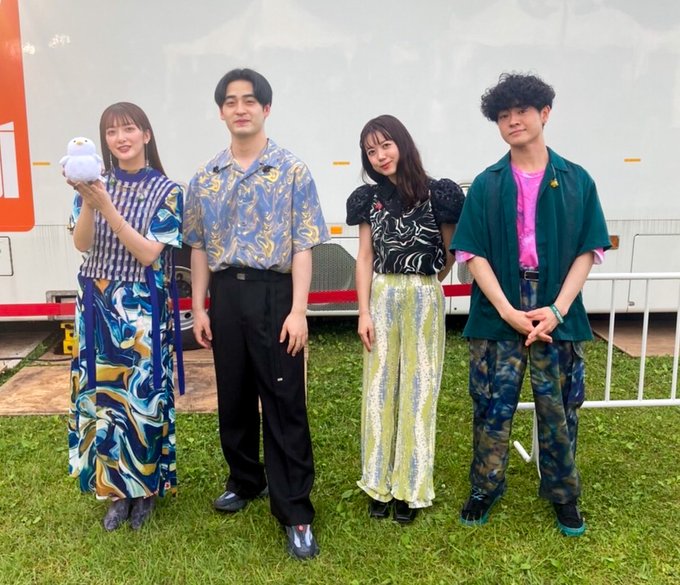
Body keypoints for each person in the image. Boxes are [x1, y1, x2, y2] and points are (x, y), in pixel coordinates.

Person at [451, 73, 610, 536]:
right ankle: (485, 486)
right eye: (503, 115)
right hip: (498, 311)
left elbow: (588, 250)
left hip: (557, 311)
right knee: (491, 405)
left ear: (545, 113)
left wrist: (557, 309)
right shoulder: (487, 184)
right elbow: (472, 253)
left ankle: (563, 494)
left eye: (522, 111)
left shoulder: (577, 181)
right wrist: (506, 311)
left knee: (560, 408)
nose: (513, 121)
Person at [184, 68, 329, 560]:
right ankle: (245, 480)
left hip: (275, 293)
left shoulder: (291, 170)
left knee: (284, 402)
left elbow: (303, 245)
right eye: (231, 101)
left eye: (249, 100)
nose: (240, 108)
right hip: (226, 295)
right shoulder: (205, 176)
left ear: (266, 109)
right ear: (221, 112)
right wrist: (200, 307)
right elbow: (198, 247)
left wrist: (299, 311)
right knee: (234, 395)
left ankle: (296, 510)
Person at [68, 102, 184, 531]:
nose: (121, 138)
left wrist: (108, 207)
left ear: (146, 135)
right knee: (104, 400)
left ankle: (146, 489)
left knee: (142, 400)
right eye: (112, 132)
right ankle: (116, 492)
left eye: (129, 129)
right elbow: (82, 244)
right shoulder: (94, 184)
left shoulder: (167, 190)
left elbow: (149, 253)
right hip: (97, 304)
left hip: (142, 307)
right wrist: (88, 202)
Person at [346, 115, 464, 523]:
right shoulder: (368, 199)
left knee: (419, 390)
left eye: (385, 145)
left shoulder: (439, 194)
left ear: (403, 143)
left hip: (424, 296)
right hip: (381, 296)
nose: (379, 156)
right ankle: (377, 483)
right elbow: (364, 257)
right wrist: (363, 311)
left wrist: (425, 284)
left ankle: (410, 487)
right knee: (379, 390)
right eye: (371, 151)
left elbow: (450, 252)